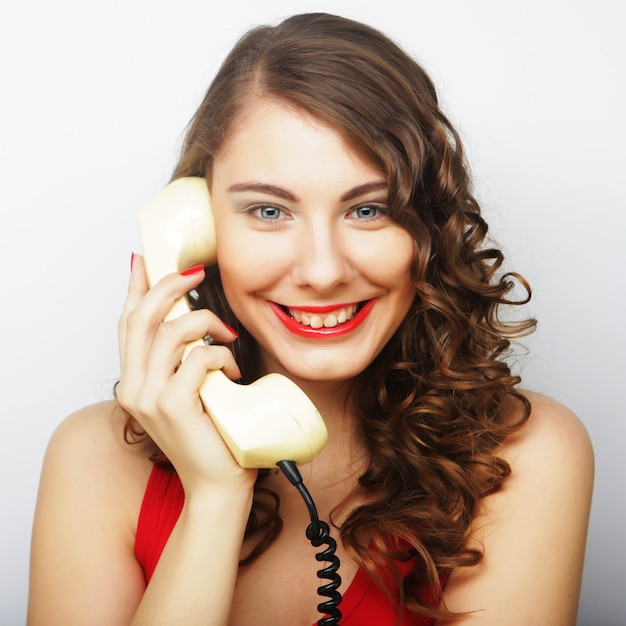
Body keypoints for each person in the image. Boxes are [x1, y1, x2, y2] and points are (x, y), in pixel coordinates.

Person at [27, 12, 594, 626]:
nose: (323, 272)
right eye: (270, 211)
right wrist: (216, 500)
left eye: (370, 209)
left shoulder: (529, 456)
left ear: (426, 227)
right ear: (196, 228)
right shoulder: (92, 461)